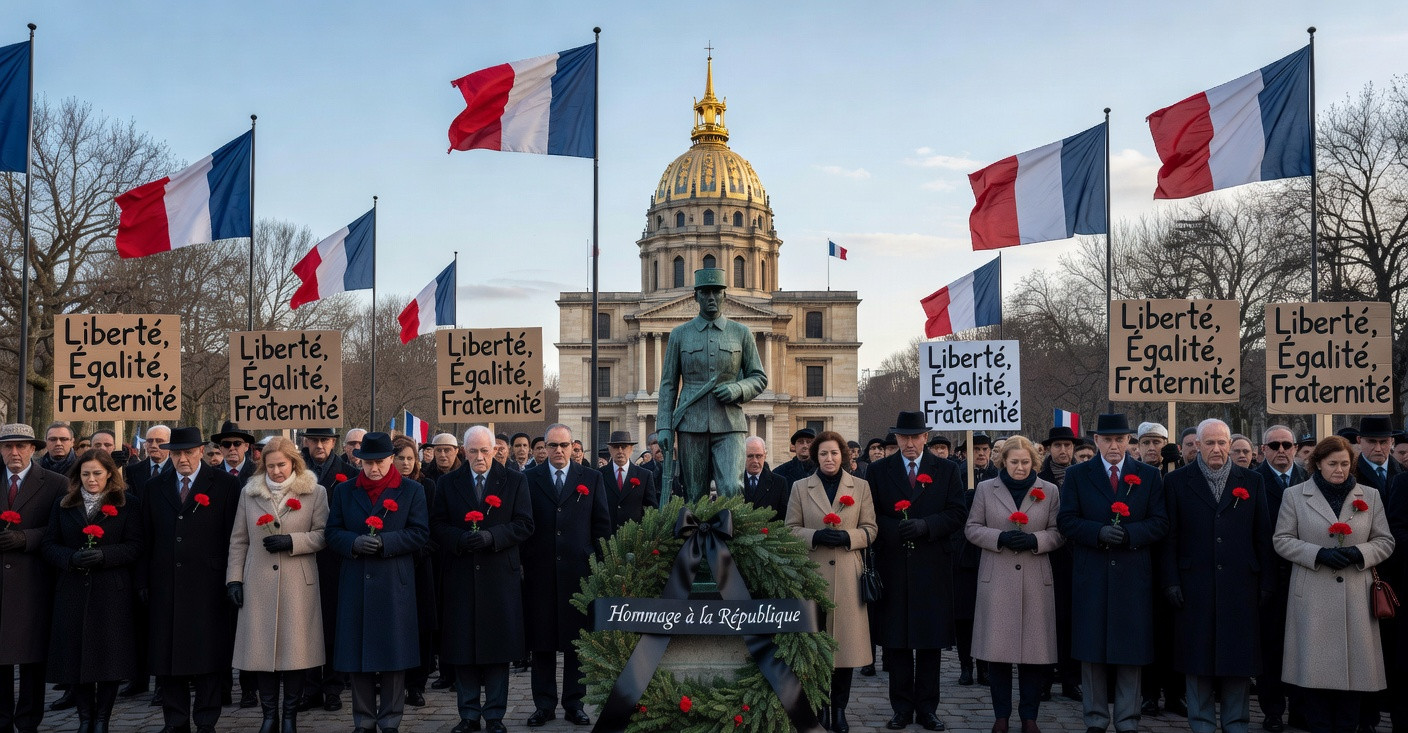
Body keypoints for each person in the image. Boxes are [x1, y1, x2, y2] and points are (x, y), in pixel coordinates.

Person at [1159, 419, 1274, 733]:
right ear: (1197, 445)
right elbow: (1170, 538)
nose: (1217, 449)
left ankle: (1236, 722)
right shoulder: (1176, 482)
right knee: (1196, 659)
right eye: (1209, 443)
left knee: (1237, 659)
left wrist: (1266, 581)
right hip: (1194, 584)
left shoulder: (1251, 481)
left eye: (1222, 442)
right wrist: (1170, 580)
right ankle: (1202, 723)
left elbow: (1262, 535)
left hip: (1240, 585)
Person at [1275, 436, 1395, 733]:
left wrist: (1359, 552)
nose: (1339, 469)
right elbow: (1282, 540)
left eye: (1344, 463)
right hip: (1313, 596)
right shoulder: (1294, 495)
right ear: (1318, 463)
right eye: (1332, 464)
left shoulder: (1369, 495)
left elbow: (1385, 541)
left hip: (1355, 597)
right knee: (1315, 679)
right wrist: (1318, 554)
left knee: (1353, 678)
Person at [1056, 413, 1167, 733]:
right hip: (1092, 574)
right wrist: (1097, 532)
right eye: (1108, 440)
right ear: (1097, 442)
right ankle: (1095, 718)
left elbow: (1160, 522)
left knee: (1131, 650)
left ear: (1129, 441)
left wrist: (1131, 535)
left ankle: (1128, 719)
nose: (1115, 445)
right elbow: (1066, 520)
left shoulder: (1147, 475)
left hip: (1133, 576)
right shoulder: (1078, 475)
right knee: (1091, 651)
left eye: (1121, 439)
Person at [430, 426, 534, 733]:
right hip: (461, 577)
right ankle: (469, 715)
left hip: (499, 578)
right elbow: (436, 524)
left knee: (497, 651)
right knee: (463, 650)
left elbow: (525, 524)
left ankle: (494, 717)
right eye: (473, 451)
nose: (479, 457)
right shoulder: (449, 483)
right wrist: (460, 539)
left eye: (484, 451)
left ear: (495, 451)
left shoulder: (514, 481)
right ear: (465, 451)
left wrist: (492, 536)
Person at [868, 411, 967, 731]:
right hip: (894, 565)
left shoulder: (947, 469)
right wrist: (895, 528)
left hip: (932, 567)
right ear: (896, 439)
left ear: (926, 437)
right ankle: (901, 708)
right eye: (904, 437)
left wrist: (925, 526)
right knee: (896, 642)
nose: (910, 443)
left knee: (929, 643)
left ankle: (927, 708)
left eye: (916, 437)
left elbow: (957, 514)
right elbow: (870, 515)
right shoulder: (879, 471)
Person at [326, 432, 429, 733]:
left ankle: (390, 719)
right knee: (357, 654)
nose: (374, 469)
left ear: (391, 460)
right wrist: (353, 542)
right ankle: (364, 719)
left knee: (394, 654)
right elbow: (332, 532)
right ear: (359, 461)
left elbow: (420, 532)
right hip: (356, 580)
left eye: (380, 462)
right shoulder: (345, 491)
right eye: (368, 463)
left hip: (393, 582)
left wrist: (386, 542)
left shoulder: (411, 490)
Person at [226, 436, 329, 733]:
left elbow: (324, 534)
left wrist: (293, 541)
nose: (276, 471)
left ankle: (289, 717)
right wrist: (234, 579)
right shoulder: (250, 493)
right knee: (261, 654)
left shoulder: (315, 492)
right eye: (270, 466)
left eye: (281, 465)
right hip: (258, 582)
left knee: (296, 655)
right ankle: (268, 715)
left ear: (293, 462)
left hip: (299, 584)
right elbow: (238, 540)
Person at [143, 427, 241, 733]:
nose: (182, 459)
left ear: (202, 451)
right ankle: (175, 720)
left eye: (188, 452)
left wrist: (231, 579)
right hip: (166, 583)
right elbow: (146, 538)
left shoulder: (224, 485)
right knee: (168, 656)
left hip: (208, 584)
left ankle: (206, 720)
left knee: (208, 657)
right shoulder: (154, 487)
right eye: (176, 453)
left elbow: (234, 538)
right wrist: (144, 582)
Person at [966, 435, 1063, 733]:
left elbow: (1059, 531)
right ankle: (1001, 716)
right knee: (999, 654)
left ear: (1034, 462)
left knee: (1033, 655)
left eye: (1025, 462)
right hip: (997, 579)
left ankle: (1029, 716)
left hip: (1035, 578)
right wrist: (999, 537)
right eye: (1014, 462)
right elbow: (971, 528)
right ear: (1003, 462)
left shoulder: (1049, 490)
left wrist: (1036, 540)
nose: (1020, 468)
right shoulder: (985, 488)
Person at [42, 449, 144, 733]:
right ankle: (84, 719)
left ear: (110, 474)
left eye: (97, 473)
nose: (91, 479)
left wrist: (105, 556)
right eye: (85, 474)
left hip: (111, 592)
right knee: (77, 658)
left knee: (108, 658)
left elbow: (136, 546)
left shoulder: (127, 504)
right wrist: (70, 558)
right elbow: (49, 544)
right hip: (72, 590)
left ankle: (102, 721)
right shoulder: (63, 504)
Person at [520, 424, 611, 727]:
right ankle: (543, 705)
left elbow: (601, 526)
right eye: (552, 445)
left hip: (578, 574)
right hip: (540, 573)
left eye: (564, 445)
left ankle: (575, 703)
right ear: (543, 447)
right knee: (542, 643)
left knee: (576, 643)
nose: (558, 451)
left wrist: (598, 567)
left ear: (573, 446)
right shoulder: (529, 479)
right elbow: (523, 522)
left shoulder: (592, 478)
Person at [786, 431, 876, 733]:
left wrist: (850, 537)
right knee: (816, 648)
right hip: (814, 575)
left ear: (844, 456)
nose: (829, 458)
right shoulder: (800, 487)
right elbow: (790, 529)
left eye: (834, 453)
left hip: (849, 576)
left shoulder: (860, 487)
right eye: (823, 453)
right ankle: (820, 707)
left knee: (845, 649)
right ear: (816, 456)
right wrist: (814, 536)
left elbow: (871, 529)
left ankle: (840, 710)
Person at [656, 267, 768, 500]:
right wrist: (664, 427)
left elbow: (759, 377)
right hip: (690, 424)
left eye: (716, 292)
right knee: (694, 493)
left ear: (725, 295)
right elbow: (668, 384)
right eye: (705, 292)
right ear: (696, 296)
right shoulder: (679, 335)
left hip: (730, 423)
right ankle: (696, 537)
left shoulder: (741, 333)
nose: (711, 298)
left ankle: (731, 536)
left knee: (731, 488)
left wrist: (738, 389)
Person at [0, 424, 67, 733]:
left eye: (21, 446)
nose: (15, 452)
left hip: (34, 584)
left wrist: (27, 538)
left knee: (32, 661)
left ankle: (28, 722)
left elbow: (63, 528)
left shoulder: (55, 483)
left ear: (33, 449)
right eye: (8, 447)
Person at [1253, 425, 1309, 732]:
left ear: (1296, 448)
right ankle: (1272, 709)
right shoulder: (1253, 480)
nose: (1281, 450)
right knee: (1271, 646)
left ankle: (1300, 708)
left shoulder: (1309, 479)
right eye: (1274, 445)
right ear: (1263, 450)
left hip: (1302, 573)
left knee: (1303, 644)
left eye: (1287, 444)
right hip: (1268, 574)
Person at [390, 435, 438, 708]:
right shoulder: (385, 488)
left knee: (419, 628)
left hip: (419, 565)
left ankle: (416, 685)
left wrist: (412, 551)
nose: (406, 463)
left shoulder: (426, 487)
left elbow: (432, 528)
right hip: (390, 566)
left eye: (410, 458)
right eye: (401, 458)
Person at [1035, 426, 1082, 702]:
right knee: (1044, 622)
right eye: (1058, 446)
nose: (1063, 451)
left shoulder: (1083, 475)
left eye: (1067, 445)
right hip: (1047, 558)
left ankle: (1070, 679)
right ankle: (1043, 679)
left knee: (1071, 622)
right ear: (1049, 449)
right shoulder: (1038, 479)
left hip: (1076, 559)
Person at [598, 431, 659, 529]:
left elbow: (651, 509)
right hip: (606, 537)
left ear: (631, 449)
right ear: (610, 450)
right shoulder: (599, 475)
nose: (620, 451)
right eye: (616, 447)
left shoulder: (644, 475)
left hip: (635, 537)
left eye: (624, 446)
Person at [743, 436, 791, 519]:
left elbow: (783, 517)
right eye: (750, 456)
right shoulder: (734, 482)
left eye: (759, 456)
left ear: (765, 456)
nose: (755, 461)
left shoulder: (779, 482)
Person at [1354, 416, 1401, 491]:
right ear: (1359, 440)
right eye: (1371, 441)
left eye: (1384, 442)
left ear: (1392, 441)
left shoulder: (1403, 472)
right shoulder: (1350, 473)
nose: (1378, 449)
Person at [125, 425, 172, 496]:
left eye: (159, 441)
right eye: (150, 441)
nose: (153, 445)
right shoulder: (132, 471)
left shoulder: (179, 471)